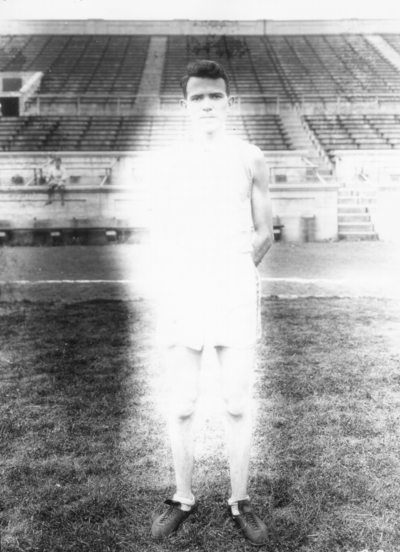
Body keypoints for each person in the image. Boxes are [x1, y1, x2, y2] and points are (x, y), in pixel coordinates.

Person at [150, 60, 274, 547]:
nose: (206, 105)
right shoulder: (168, 162)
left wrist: (239, 270)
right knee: (182, 404)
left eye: (214, 97)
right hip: (184, 289)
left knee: (237, 402)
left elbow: (265, 229)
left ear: (229, 103)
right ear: (185, 106)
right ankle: (183, 498)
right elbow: (159, 232)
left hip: (234, 289)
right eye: (197, 98)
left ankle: (238, 501)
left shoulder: (250, 157)